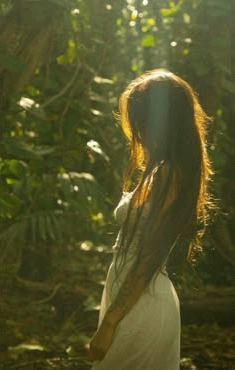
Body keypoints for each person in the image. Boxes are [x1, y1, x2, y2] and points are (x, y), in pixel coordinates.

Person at [88, 69, 213, 370]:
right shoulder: (161, 170)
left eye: (140, 118)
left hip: (141, 305)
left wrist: (109, 324)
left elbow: (148, 256)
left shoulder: (168, 173)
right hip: (132, 300)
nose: (137, 130)